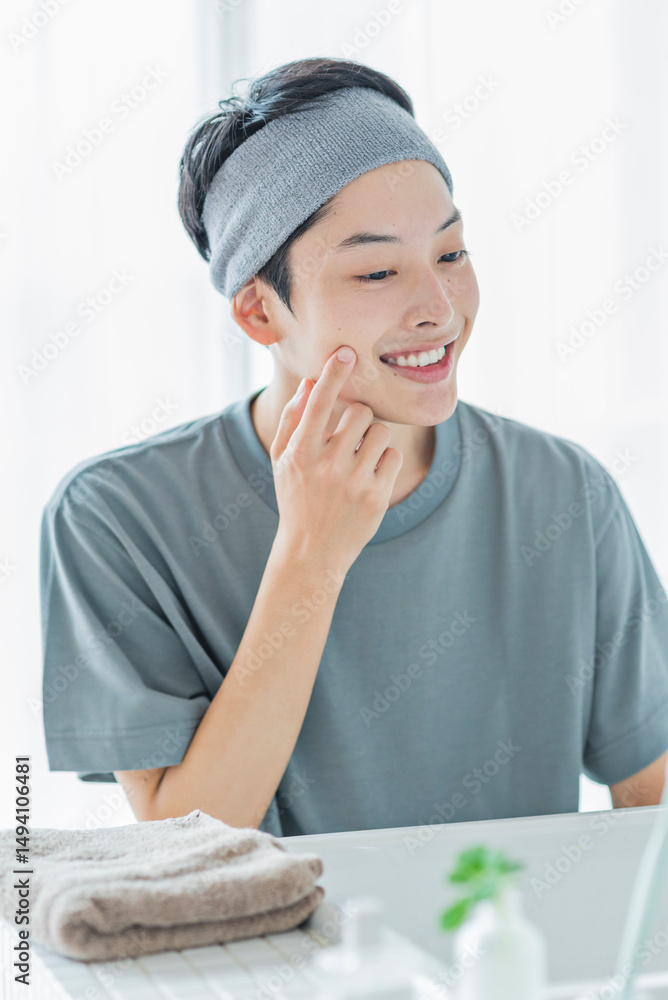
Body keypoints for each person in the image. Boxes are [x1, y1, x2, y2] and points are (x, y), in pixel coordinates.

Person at [40, 57, 668, 837]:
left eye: (451, 254)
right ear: (259, 313)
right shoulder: (117, 517)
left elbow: (655, 802)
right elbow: (186, 843)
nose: (439, 310)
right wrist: (313, 554)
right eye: (376, 271)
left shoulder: (563, 491)